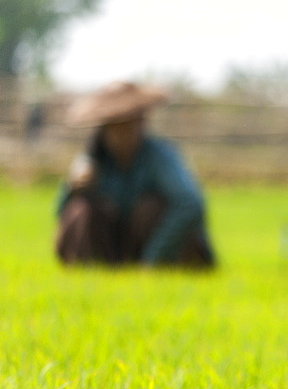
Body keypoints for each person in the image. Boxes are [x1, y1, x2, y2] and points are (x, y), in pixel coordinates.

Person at [56, 81, 215, 268]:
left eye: (128, 125)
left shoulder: (159, 157)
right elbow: (61, 213)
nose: (122, 135)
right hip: (117, 248)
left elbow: (190, 204)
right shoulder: (91, 161)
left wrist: (153, 259)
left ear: (141, 123)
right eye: (116, 127)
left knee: (149, 209)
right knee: (81, 209)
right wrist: (72, 188)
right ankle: (89, 269)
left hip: (155, 250)